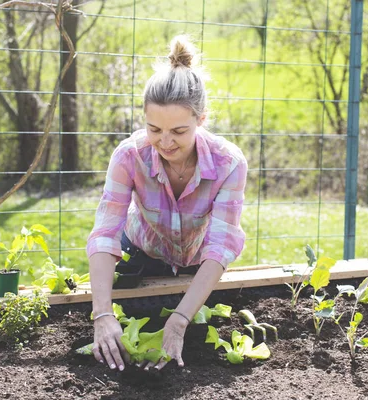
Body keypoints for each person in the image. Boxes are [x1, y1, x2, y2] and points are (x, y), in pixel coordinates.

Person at [86, 35, 247, 372]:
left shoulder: (228, 164)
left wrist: (178, 322)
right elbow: (105, 232)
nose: (165, 141)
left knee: (199, 323)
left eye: (179, 130)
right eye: (154, 128)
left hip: (196, 257)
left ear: (201, 120)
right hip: (142, 247)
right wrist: (102, 314)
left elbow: (220, 247)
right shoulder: (129, 156)